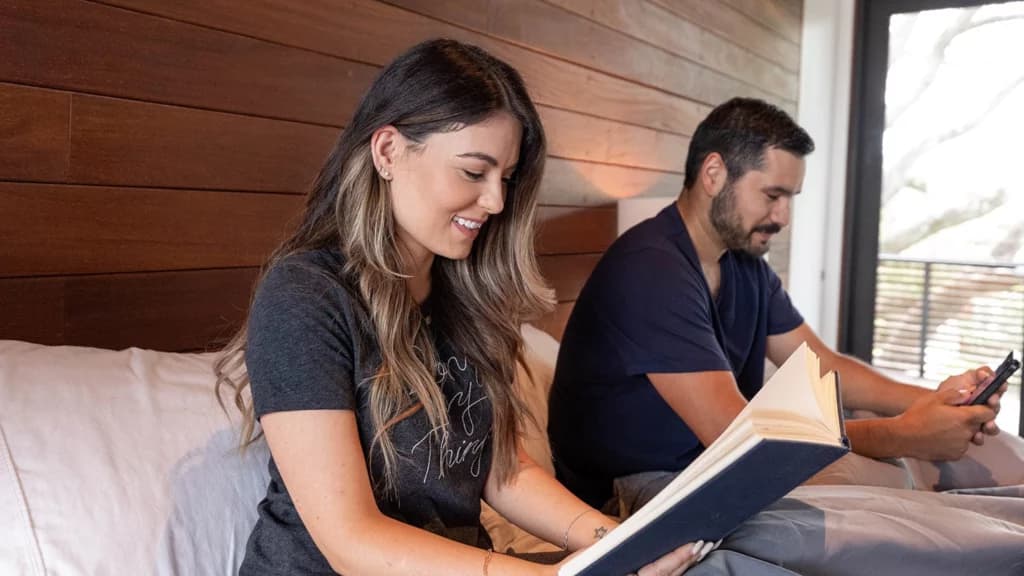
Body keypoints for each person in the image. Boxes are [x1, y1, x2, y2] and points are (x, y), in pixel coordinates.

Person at [215, 38, 706, 576]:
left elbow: (502, 471)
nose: (496, 201)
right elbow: (349, 540)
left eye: (506, 177)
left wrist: (618, 542)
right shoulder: (305, 297)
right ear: (387, 152)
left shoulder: (462, 300)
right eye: (474, 173)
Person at [547, 97, 1021, 512]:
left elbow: (823, 367)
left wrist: (936, 401)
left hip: (711, 463)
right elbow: (741, 437)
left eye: (790, 198)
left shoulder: (745, 266)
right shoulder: (650, 269)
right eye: (772, 195)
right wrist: (903, 432)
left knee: (928, 464)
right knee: (894, 482)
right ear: (713, 174)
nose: (783, 218)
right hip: (631, 491)